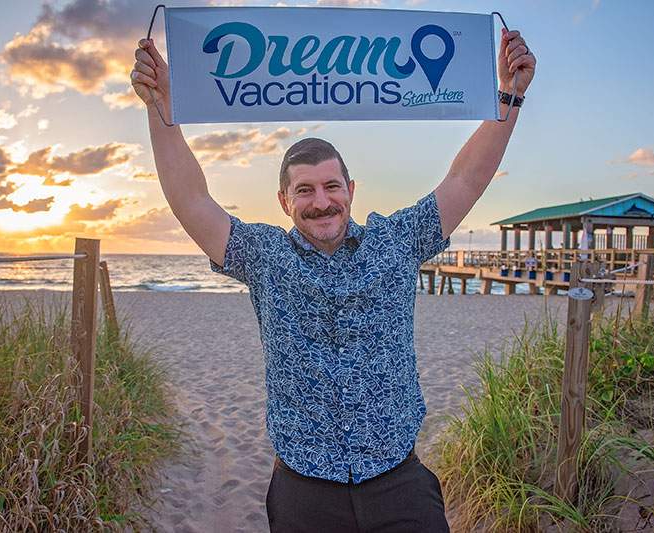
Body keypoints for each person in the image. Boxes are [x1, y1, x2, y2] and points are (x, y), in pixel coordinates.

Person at [132, 25, 535, 533]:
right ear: (284, 200)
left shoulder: (397, 241)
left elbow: (465, 180)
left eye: (330, 186)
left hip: (399, 482)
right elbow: (192, 201)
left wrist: (509, 95)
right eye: (304, 190)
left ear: (351, 189)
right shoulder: (264, 256)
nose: (320, 201)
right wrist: (161, 108)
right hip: (304, 493)